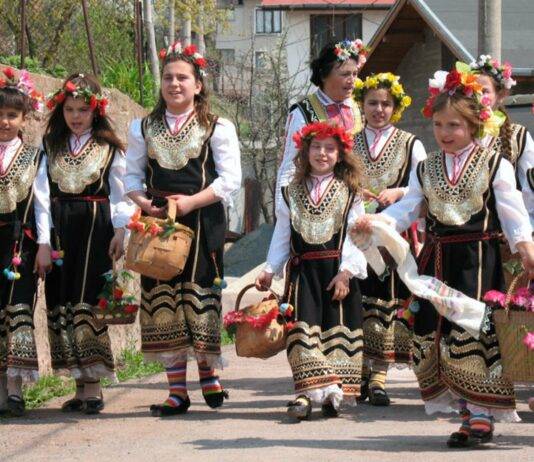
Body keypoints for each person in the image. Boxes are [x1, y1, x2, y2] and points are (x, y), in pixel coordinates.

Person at [353, 64, 534, 447]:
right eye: (438, 125)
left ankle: (481, 416)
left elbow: (513, 215)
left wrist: (527, 250)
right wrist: (376, 222)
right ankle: (467, 413)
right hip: (435, 263)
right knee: (436, 340)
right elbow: (408, 209)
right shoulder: (426, 168)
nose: (445, 133)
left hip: (478, 262)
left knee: (473, 334)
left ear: (474, 124)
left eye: (454, 125)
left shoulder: (496, 165)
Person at [124, 41, 241, 416]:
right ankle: (177, 391)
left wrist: (190, 202)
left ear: (198, 85)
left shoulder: (216, 127)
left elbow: (230, 179)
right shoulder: (142, 127)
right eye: (168, 78)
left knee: (199, 295)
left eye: (182, 78)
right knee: (164, 301)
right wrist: (145, 204)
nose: (174, 84)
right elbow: (131, 176)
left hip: (202, 218)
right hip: (158, 222)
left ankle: (208, 375)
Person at [256, 121, 367, 420]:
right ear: (305, 152)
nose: (322, 153)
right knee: (301, 333)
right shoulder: (289, 192)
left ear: (340, 154)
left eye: (330, 148)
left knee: (334, 334)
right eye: (316, 147)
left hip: (336, 272)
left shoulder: (350, 192)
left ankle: (333, 395)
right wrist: (270, 268)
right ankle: (304, 395)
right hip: (302, 273)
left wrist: (346, 273)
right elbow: (282, 233)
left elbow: (357, 236)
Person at [43, 74, 132, 414]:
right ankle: (79, 386)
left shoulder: (110, 149)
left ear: (96, 110)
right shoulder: (51, 145)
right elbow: (42, 196)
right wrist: (45, 237)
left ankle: (93, 385)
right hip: (61, 229)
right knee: (62, 300)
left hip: (96, 229)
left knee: (88, 300)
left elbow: (121, 195)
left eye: (83, 109)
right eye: (69, 109)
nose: (76, 116)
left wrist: (121, 231)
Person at [352, 72, 426, 405]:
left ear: (395, 107)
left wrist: (399, 192)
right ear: (362, 105)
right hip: (357, 233)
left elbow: (424, 186)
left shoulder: (411, 143)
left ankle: (379, 377)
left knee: (387, 300)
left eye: (385, 103)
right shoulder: (348, 143)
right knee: (361, 299)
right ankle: (361, 372)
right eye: (372, 103)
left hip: (394, 234)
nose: (379, 109)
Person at [0, 67, 50, 416]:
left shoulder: (35, 156)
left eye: (11, 115)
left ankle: (15, 390)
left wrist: (44, 244)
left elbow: (43, 203)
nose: (4, 122)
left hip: (19, 243)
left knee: (17, 311)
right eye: (0, 114)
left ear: (23, 118)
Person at [275, 39, 367, 210]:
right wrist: (283, 212)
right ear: (324, 75)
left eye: (355, 74)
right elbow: (289, 166)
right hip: (315, 201)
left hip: (357, 200)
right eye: (345, 74)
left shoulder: (360, 108)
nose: (352, 80)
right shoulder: (303, 112)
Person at [470, 55, 534, 226]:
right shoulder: (459, 135)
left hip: (509, 231)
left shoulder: (518, 136)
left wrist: (526, 228)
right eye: (472, 91)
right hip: (469, 230)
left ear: (500, 95)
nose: (477, 97)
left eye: (484, 91)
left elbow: (530, 190)